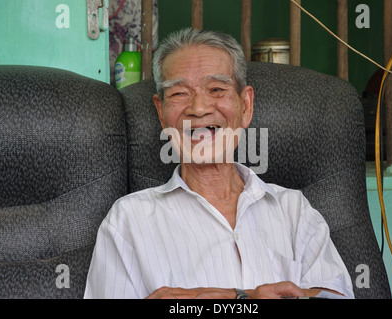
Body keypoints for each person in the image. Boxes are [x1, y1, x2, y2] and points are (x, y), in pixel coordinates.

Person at [84, 28, 354, 299]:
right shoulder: (128, 221)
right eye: (179, 93)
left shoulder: (294, 212)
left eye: (216, 89)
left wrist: (233, 298)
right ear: (162, 114)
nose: (199, 108)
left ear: (245, 106)